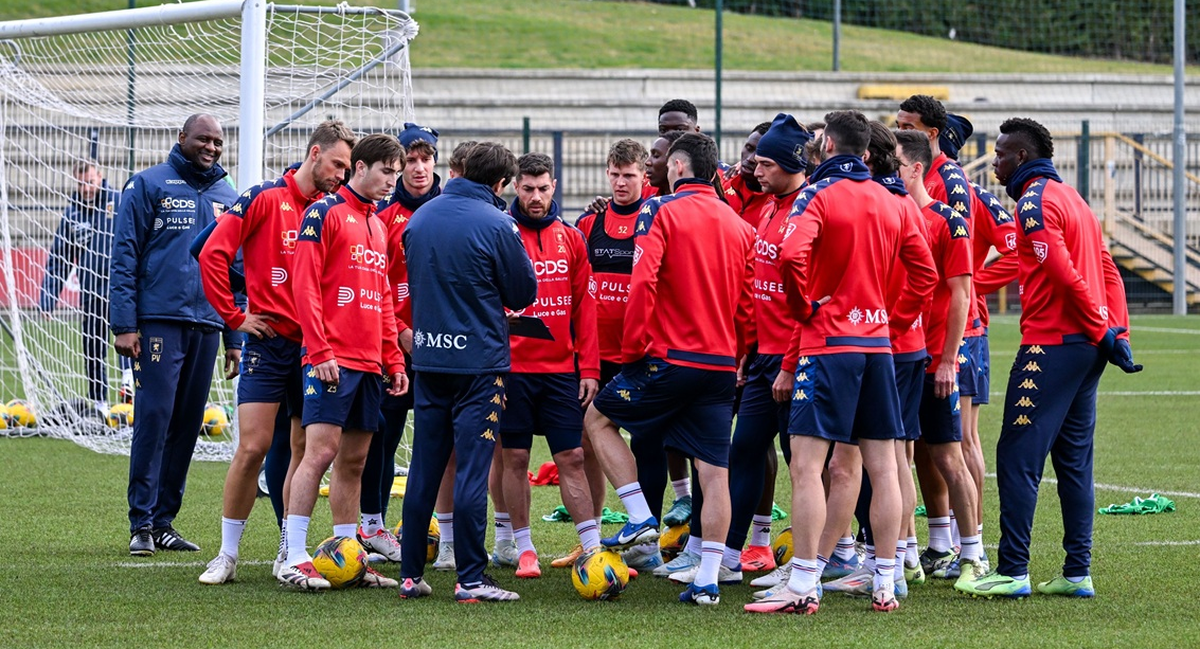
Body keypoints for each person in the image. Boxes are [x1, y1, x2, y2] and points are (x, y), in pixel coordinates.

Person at [745, 111, 935, 616]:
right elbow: (926, 272)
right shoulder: (893, 198)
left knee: (808, 466)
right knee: (884, 467)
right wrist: (891, 322)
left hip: (829, 347)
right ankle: (886, 582)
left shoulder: (819, 195)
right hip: (878, 348)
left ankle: (804, 583)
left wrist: (807, 306)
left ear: (827, 144)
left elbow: (790, 257)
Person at [957, 117, 1141, 600]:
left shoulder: (1035, 201)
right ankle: (1077, 572)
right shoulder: (1073, 198)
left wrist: (1104, 327)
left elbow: (1061, 271)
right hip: (1085, 348)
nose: (993, 162)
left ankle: (1013, 570)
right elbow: (1103, 267)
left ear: (1020, 156)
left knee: (1016, 455)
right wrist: (1115, 329)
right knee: (1074, 461)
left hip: (1052, 345)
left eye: (999, 154)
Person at [586, 133, 754, 606]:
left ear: (678, 167)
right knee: (713, 472)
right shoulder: (739, 225)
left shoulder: (659, 211)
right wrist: (737, 355)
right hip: (720, 366)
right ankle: (707, 578)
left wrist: (634, 346)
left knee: (597, 420)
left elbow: (644, 281)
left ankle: (640, 515)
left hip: (668, 358)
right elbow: (746, 307)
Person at [195, 120, 355, 584]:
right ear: (314, 152)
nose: (341, 175)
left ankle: (289, 552)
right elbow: (211, 254)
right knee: (253, 447)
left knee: (303, 449)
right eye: (337, 164)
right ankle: (226, 554)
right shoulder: (265, 197)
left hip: (315, 349)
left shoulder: (332, 209)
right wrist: (234, 316)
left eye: (348, 168)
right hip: (268, 344)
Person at [398, 142, 537, 603]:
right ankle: (472, 578)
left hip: (429, 357)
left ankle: (411, 574)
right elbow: (521, 293)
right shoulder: (499, 222)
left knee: (424, 465)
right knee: (473, 471)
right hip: (479, 363)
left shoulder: (420, 218)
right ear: (499, 184)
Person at [276, 133, 409, 590]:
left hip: (370, 362)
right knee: (320, 453)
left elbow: (385, 297)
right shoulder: (324, 212)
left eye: (396, 173)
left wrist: (393, 359)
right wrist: (319, 350)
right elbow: (304, 286)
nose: (392, 181)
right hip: (330, 358)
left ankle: (348, 557)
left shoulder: (378, 225)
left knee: (354, 461)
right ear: (360, 168)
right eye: (386, 171)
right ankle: (293, 556)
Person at [110, 114, 242, 557]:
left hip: (207, 323)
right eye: (203, 139)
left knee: (188, 423)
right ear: (181, 138)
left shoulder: (229, 195)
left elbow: (234, 273)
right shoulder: (147, 185)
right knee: (154, 417)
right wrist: (125, 324)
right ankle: (141, 522)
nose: (211, 147)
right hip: (158, 322)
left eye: (218, 141)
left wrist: (235, 338)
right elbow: (124, 255)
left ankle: (165, 520)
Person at [897, 97, 1018, 565]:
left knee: (959, 442)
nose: (897, 132)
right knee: (924, 444)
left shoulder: (955, 186)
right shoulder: (913, 182)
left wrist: (968, 285)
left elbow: (1013, 250)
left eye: (907, 126)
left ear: (931, 137)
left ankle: (974, 546)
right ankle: (940, 543)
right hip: (920, 331)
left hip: (959, 332)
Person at [490, 153, 600, 579]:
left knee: (572, 455)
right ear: (515, 187)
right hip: (512, 369)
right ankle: (524, 548)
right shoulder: (502, 232)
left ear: (555, 187)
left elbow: (583, 309)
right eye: (527, 189)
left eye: (543, 189)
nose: (536, 198)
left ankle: (592, 546)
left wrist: (588, 369)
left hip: (559, 371)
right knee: (514, 457)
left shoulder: (571, 238)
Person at [896, 129, 985, 585]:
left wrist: (949, 359)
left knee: (949, 456)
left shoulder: (948, 220)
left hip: (933, 359)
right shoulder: (887, 214)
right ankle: (909, 554)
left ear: (916, 168)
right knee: (900, 456)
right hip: (896, 358)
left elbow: (961, 295)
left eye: (894, 163)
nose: (887, 172)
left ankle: (974, 554)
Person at [723, 114, 810, 580]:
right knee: (745, 450)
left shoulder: (807, 209)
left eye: (764, 164)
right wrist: (747, 353)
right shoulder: (772, 206)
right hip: (761, 359)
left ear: (791, 163)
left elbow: (806, 301)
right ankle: (730, 556)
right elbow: (761, 291)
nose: (754, 171)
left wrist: (790, 365)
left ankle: (837, 553)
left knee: (807, 462)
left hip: (792, 361)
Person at [358, 123, 447, 568]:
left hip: (447, 346)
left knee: (444, 440)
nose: (417, 168)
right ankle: (372, 524)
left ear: (436, 162)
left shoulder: (453, 209)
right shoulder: (383, 215)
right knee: (383, 435)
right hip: (396, 345)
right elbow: (378, 281)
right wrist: (399, 335)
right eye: (408, 161)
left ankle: (447, 536)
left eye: (424, 159)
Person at [558, 138, 650, 570]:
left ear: (643, 176)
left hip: (640, 353)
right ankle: (591, 538)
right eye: (614, 174)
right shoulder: (589, 223)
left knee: (650, 444)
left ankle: (651, 533)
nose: (619, 183)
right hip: (595, 355)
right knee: (585, 443)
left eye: (628, 175)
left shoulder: (655, 219)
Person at [40, 160, 124, 410]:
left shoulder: (119, 203)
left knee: (129, 342)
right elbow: (60, 259)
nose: (86, 187)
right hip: (91, 292)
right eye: (81, 183)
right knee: (92, 347)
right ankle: (99, 403)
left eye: (90, 181)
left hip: (123, 290)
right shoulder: (72, 214)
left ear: (101, 176)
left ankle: (131, 397)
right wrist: (47, 299)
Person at [721, 122, 773, 226]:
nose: (750, 159)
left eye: (760, 154)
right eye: (749, 148)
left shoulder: (777, 203)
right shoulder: (724, 183)